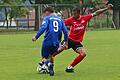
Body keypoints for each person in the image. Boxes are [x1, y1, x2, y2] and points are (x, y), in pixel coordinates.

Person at [52, 4, 113, 72]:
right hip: (69, 40)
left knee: (83, 54)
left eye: (75, 14)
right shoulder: (70, 19)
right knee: (59, 50)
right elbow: (60, 24)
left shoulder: (85, 18)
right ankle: (45, 61)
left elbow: (96, 13)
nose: (73, 15)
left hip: (77, 43)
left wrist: (106, 8)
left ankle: (70, 67)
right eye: (73, 13)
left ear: (79, 13)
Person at [32, 6, 68, 76]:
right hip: (57, 42)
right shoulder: (60, 19)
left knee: (44, 58)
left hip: (48, 41)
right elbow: (66, 31)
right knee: (51, 56)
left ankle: (48, 65)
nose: (44, 15)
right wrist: (66, 42)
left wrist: (36, 37)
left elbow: (43, 27)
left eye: (44, 14)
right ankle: (50, 68)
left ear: (47, 12)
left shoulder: (47, 18)